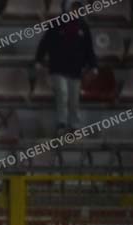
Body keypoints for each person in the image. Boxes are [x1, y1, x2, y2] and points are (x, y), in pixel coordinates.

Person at [35, 0, 98, 135]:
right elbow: (45, 43)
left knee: (74, 98)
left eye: (78, 8)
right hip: (58, 68)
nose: (76, 11)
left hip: (75, 69)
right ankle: (61, 123)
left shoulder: (83, 27)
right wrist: (38, 60)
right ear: (67, 8)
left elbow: (89, 49)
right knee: (62, 93)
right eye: (73, 8)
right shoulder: (56, 24)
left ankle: (74, 124)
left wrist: (93, 66)